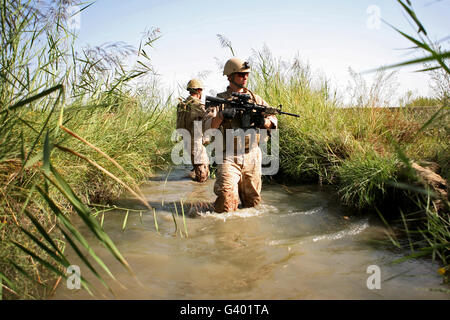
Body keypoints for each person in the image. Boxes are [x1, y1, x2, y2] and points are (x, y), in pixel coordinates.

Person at [203, 58, 278, 213]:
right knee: (226, 199)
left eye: (246, 75)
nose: (244, 78)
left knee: (253, 203)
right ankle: (225, 232)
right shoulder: (220, 100)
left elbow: (273, 121)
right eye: (240, 75)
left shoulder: (256, 99)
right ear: (230, 76)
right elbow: (207, 127)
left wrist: (263, 121)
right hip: (228, 156)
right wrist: (222, 115)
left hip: (252, 155)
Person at [176, 79, 209, 182]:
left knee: (198, 167)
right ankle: (198, 195)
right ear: (199, 91)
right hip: (196, 142)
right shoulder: (198, 104)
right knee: (202, 175)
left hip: (187, 140)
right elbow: (207, 120)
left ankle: (192, 181)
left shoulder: (182, 104)